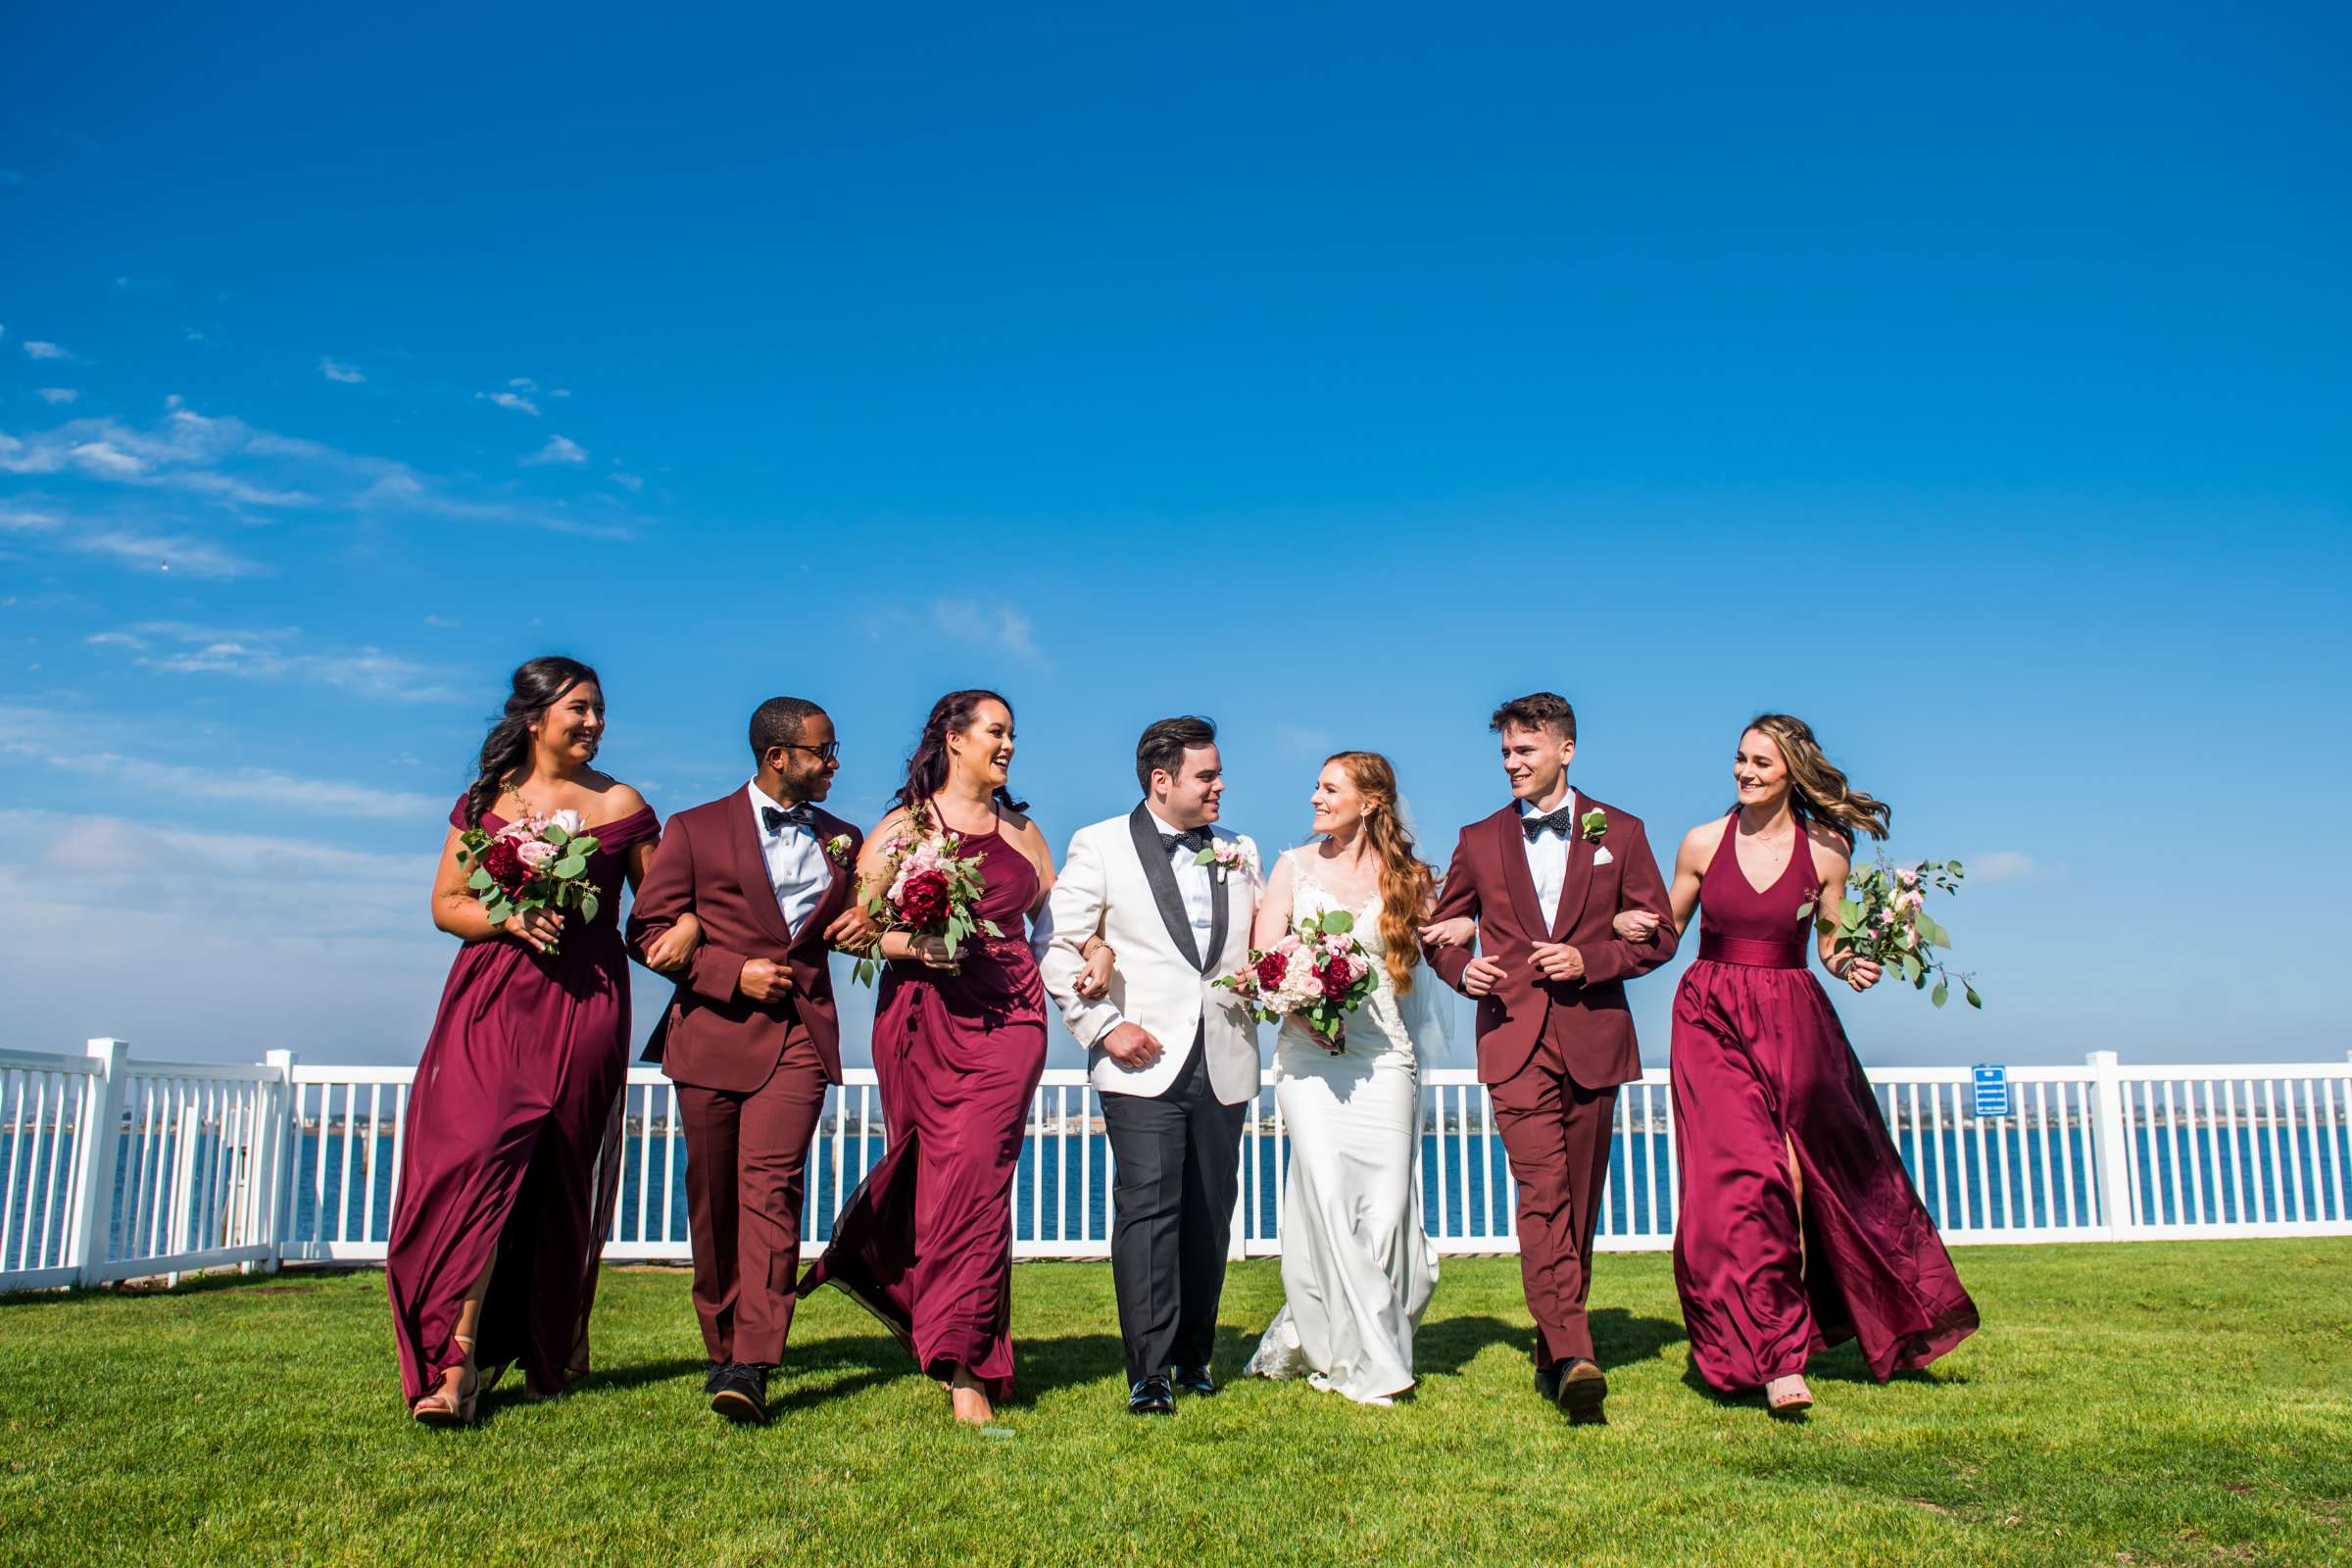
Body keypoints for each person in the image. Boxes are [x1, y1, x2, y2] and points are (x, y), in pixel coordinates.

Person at [1619, 713, 1977, 1412]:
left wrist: (1854, 964)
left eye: (1761, 762)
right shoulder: (1701, 842)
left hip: (1793, 1017)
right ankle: (1775, 1358)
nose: (1745, 772)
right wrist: (1626, 927)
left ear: (1792, 772)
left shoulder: (1826, 850)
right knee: (1741, 1181)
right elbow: (1664, 933)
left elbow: (1832, 943)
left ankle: (1803, 1332)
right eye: (1740, 759)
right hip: (1710, 1015)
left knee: (1801, 1178)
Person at [389, 657, 681, 1425]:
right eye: (579, 709)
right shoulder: (485, 802)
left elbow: (651, 918)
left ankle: (546, 1347)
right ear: (534, 718)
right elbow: (447, 904)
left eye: (599, 710)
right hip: (488, 1005)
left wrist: (687, 931)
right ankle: (454, 1366)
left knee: (556, 1179)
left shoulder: (621, 803)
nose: (593, 723)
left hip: (584, 1006)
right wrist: (509, 917)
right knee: (473, 1167)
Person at [799, 690, 1094, 1428]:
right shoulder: (902, 828)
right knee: (932, 1180)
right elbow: (849, 930)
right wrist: (914, 945)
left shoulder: (1024, 832)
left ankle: (967, 1363)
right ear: (954, 739)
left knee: (979, 1179)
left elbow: (1061, 924)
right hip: (922, 1019)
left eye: (1013, 734)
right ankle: (906, 1292)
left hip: (1011, 1017)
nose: (1009, 745)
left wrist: (1100, 947)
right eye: (996, 731)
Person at [1418, 692, 1677, 1424]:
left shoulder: (1620, 832)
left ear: (1566, 751)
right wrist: (1459, 971)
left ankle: (1555, 1347)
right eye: (1504, 752)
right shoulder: (1478, 837)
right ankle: (1573, 1351)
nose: (1511, 763)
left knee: (1581, 1204)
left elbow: (1659, 935)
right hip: (1512, 1037)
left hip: (1594, 1040)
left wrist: (1590, 958)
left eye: (1525, 750)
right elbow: (1438, 932)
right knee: (1543, 1194)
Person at [623, 697, 873, 1425]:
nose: (834, 764)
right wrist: (730, 973)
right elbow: (647, 931)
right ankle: (722, 1341)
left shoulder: (847, 841)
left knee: (773, 1194)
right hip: (709, 1037)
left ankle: (753, 1360)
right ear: (778, 757)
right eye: (823, 752)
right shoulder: (695, 829)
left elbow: (859, 917)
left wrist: (868, 920)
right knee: (715, 1203)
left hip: (798, 1036)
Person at [1041, 716, 1261, 1416]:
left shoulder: (1241, 848)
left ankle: (1196, 1357)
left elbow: (1257, 947)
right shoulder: (1100, 844)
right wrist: (1103, 1028)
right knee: (1148, 1211)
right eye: (1207, 775)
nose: (1220, 785)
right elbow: (1057, 944)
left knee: (1210, 1214)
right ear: (1161, 781)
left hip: (1226, 1055)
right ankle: (1150, 1370)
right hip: (1139, 1062)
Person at [1242, 752, 1444, 1406]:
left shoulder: (1409, 878)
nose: (1315, 798)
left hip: (1384, 1057)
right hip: (1309, 1061)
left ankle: (1355, 1340)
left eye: (1330, 789)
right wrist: (1298, 991)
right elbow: (1262, 963)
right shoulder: (1294, 868)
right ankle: (1375, 1367)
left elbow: (1445, 943)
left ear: (1371, 801)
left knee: (1385, 1214)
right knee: (1328, 1198)